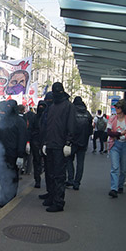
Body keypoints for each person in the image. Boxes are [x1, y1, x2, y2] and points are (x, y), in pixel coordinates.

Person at [42, 82, 75, 212]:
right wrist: (45, 142)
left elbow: (71, 125)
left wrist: (68, 143)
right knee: (50, 173)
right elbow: (47, 126)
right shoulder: (52, 107)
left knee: (59, 175)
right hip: (50, 144)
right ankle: (51, 196)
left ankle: (58, 202)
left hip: (60, 145)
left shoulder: (68, 106)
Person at [0, 99, 27, 207]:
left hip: (13, 153)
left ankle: (10, 197)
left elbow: (22, 138)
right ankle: (3, 195)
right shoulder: (3, 120)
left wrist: (20, 155)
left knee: (12, 176)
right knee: (2, 175)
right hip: (2, 153)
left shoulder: (19, 121)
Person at [107, 100, 126, 198]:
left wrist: (117, 136)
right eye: (116, 107)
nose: (116, 109)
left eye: (118, 107)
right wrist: (120, 134)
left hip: (125, 146)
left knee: (123, 169)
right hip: (114, 145)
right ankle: (113, 188)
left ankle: (120, 185)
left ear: (122, 109)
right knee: (115, 167)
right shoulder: (112, 118)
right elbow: (109, 132)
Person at [66, 96, 93, 190]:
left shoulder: (71, 112)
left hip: (73, 141)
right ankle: (77, 183)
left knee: (69, 160)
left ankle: (70, 179)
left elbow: (68, 126)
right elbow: (90, 129)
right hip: (83, 142)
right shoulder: (87, 114)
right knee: (80, 163)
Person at [29, 101, 47, 188]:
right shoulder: (46, 118)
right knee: (38, 162)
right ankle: (38, 180)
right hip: (40, 142)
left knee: (37, 162)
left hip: (38, 141)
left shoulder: (35, 117)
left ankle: (38, 180)